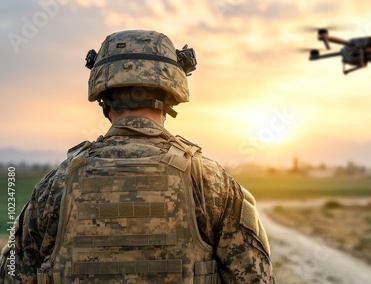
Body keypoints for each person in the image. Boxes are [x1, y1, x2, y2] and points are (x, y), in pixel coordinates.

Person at [0, 30, 276, 283]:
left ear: (104, 99)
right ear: (170, 95)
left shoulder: (56, 185)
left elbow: (12, 275)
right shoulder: (210, 181)